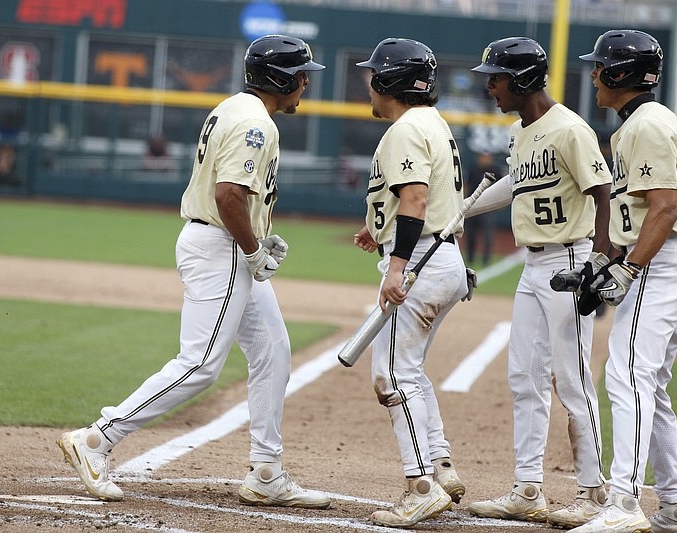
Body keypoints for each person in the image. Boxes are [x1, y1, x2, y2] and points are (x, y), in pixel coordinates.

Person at [56, 34, 331, 510]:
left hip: (222, 241)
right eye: (301, 74)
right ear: (279, 78)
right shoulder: (256, 125)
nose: (306, 82)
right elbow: (228, 196)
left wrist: (255, 242)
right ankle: (97, 439)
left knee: (273, 349)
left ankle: (267, 471)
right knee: (201, 365)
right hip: (220, 246)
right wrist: (251, 250)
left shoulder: (233, 108)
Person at [463, 37, 613, 529]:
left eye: (497, 77)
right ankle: (528, 488)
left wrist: (600, 259)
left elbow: (601, 189)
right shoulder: (520, 131)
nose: (490, 86)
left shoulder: (570, 128)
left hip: (569, 261)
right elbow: (515, 182)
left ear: (522, 79)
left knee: (571, 379)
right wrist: (462, 210)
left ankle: (593, 493)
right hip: (533, 266)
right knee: (524, 377)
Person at [571, 30, 677, 533]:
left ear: (621, 74)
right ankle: (674, 505)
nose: (593, 74)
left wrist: (627, 269)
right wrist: (602, 263)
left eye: (600, 66)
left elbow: (665, 208)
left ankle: (623, 504)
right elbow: (639, 216)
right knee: (647, 383)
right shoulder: (642, 124)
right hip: (666, 259)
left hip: (663, 262)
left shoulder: (646, 125)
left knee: (626, 375)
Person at [352, 37, 471, 528]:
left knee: (392, 375)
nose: (369, 85)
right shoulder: (432, 123)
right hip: (441, 259)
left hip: (422, 260)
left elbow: (417, 201)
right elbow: (418, 198)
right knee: (410, 370)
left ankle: (419, 485)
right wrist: (377, 228)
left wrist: (397, 265)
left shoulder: (405, 129)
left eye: (374, 77)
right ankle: (440, 466)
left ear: (389, 83)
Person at [465, 151, 500, 264]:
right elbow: (466, 184)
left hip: (488, 207)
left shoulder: (495, 169)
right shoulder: (473, 168)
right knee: (470, 234)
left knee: (487, 234)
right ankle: (470, 257)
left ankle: (486, 259)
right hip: (473, 204)